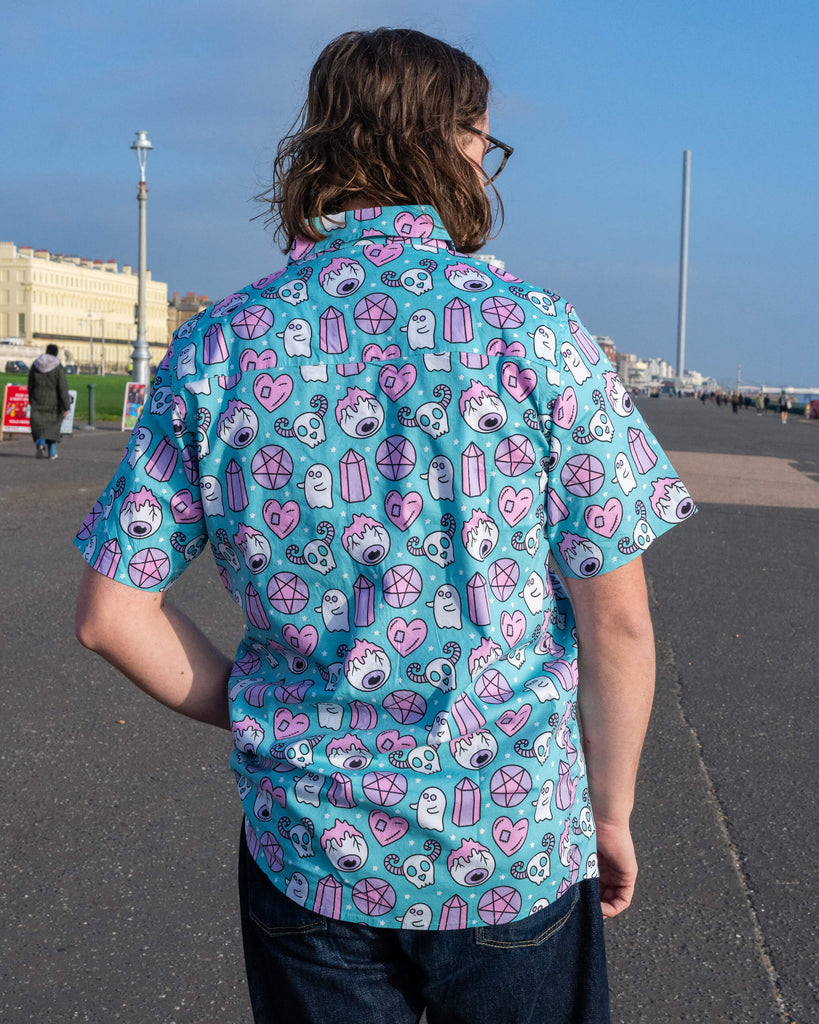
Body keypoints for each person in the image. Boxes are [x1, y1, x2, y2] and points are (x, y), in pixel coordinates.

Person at [74, 28, 695, 1024]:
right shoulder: (534, 330)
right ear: (453, 146)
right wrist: (610, 813)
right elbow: (615, 616)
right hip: (507, 842)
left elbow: (112, 613)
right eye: (484, 149)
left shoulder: (222, 344)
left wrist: (263, 705)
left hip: (308, 849)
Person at [28, 343, 70, 459]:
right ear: (56, 353)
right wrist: (66, 406)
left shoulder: (35, 364)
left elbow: (30, 384)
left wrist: (30, 399)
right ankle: (52, 452)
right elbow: (62, 387)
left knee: (38, 425)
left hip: (37, 398)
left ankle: (40, 444)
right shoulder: (57, 366)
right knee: (52, 426)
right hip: (54, 401)